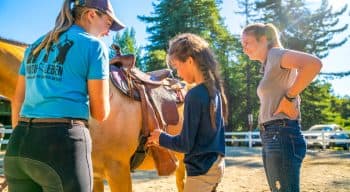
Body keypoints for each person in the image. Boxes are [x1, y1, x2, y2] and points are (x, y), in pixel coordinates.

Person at [4, 0, 125, 191]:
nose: (108, 32)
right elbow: (100, 113)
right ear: (91, 15)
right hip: (62, 146)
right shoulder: (95, 46)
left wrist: (21, 135)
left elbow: (17, 98)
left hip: (19, 147)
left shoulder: (35, 46)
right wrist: (107, 99)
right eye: (108, 23)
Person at [241, 23, 322, 192]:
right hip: (273, 135)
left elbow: (314, 64)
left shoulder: (276, 54)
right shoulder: (270, 62)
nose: (244, 49)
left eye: (247, 43)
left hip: (282, 134)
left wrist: (290, 97)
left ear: (263, 39)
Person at [147, 33, 228, 192]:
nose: (177, 73)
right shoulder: (213, 90)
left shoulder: (194, 94)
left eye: (177, 66)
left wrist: (160, 137)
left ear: (190, 61)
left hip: (201, 173)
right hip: (215, 166)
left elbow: (185, 144)